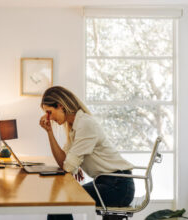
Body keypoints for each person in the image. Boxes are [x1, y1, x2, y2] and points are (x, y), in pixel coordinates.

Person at [39, 86, 135, 220]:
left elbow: (68, 167)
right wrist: (49, 132)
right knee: (59, 201)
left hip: (118, 186)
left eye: (49, 112)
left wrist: (73, 165)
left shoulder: (85, 124)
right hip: (108, 182)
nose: (48, 118)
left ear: (60, 105)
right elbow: (65, 163)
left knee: (60, 202)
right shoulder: (75, 126)